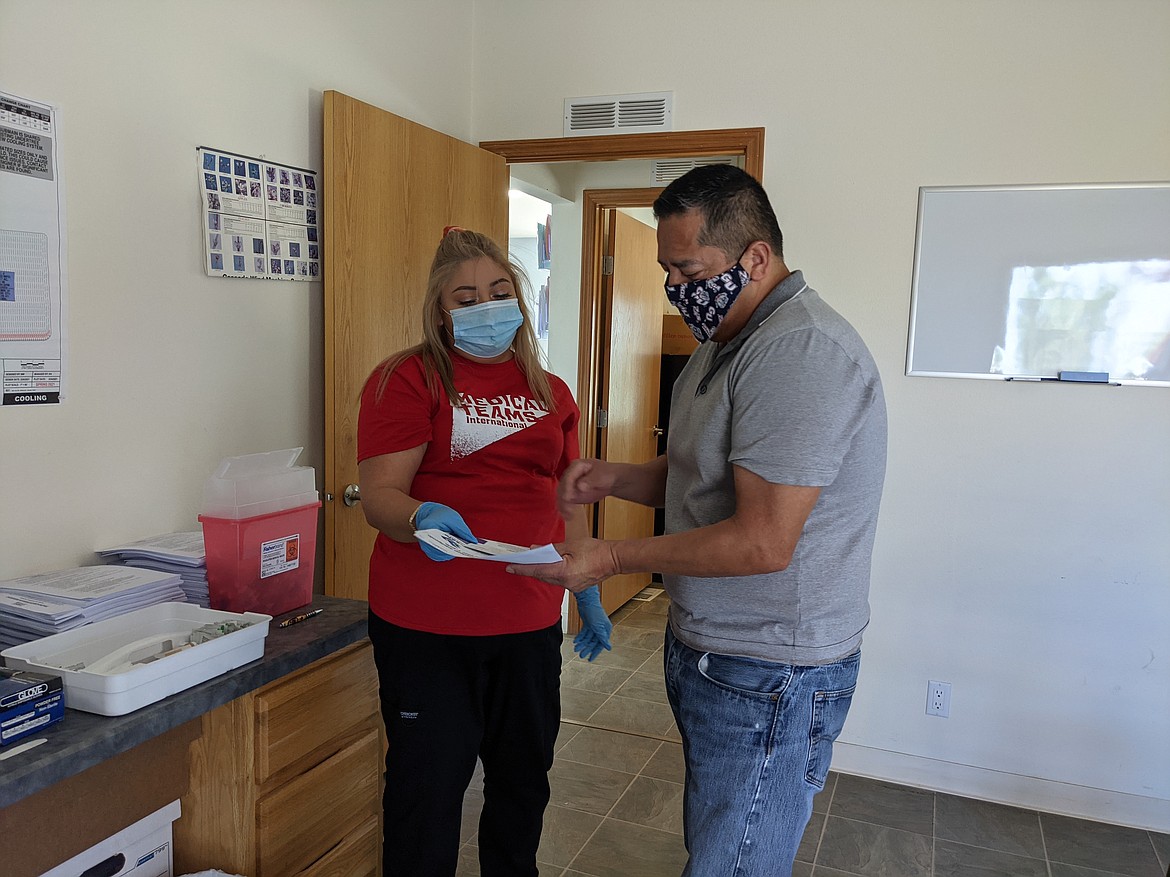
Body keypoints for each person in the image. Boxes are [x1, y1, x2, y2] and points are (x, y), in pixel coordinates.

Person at [512, 166, 887, 875]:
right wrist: (619, 477)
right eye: (667, 270)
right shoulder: (726, 338)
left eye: (688, 269)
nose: (676, 289)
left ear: (754, 258)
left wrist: (612, 559)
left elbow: (762, 538)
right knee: (720, 843)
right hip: (717, 652)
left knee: (735, 861)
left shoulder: (799, 352)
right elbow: (707, 474)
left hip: (771, 667)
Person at [356, 227, 612, 876]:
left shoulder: (552, 393)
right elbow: (379, 494)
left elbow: (569, 499)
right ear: (440, 309)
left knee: (522, 787)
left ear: (520, 301)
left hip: (527, 623)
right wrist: (419, 516)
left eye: (500, 292)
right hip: (426, 628)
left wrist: (585, 584)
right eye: (466, 296)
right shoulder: (406, 379)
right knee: (427, 793)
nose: (487, 306)